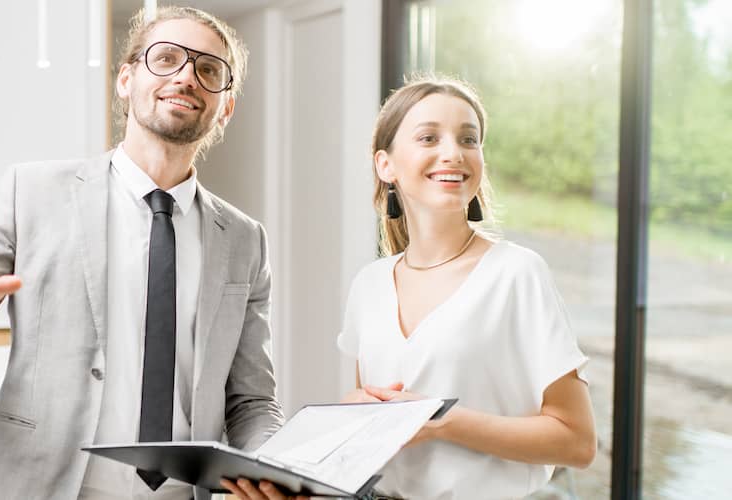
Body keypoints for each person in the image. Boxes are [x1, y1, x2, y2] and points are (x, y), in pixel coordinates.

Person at [0, 6, 284, 499]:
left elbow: (252, 402)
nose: (187, 75)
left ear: (224, 106)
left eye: (209, 70)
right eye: (166, 58)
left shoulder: (246, 240)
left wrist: (270, 467)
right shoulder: (30, 193)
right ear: (126, 80)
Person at [223, 76, 596, 500]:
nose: (453, 153)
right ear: (386, 165)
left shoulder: (517, 274)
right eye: (429, 137)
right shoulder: (370, 285)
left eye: (468, 139)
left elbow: (577, 442)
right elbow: (380, 444)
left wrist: (445, 422)